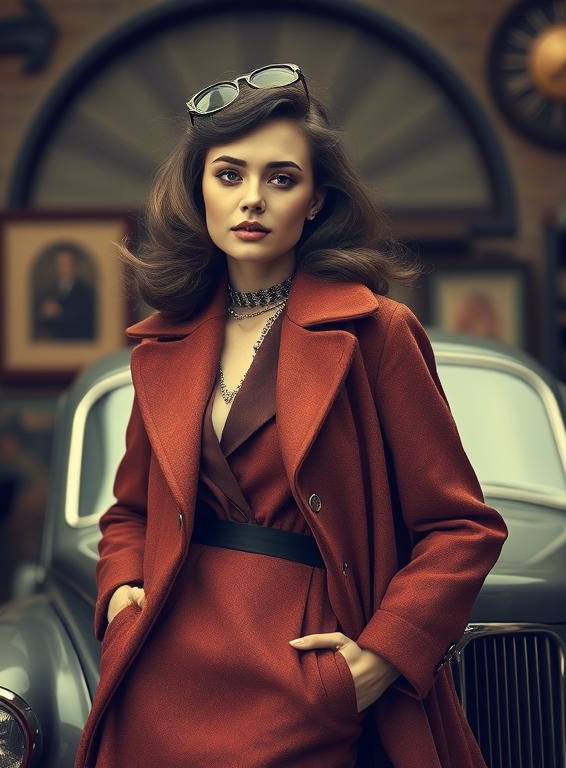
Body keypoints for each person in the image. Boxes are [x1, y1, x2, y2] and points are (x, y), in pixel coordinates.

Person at [74, 64, 507, 768]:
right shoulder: (163, 343)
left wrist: (383, 657)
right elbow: (129, 513)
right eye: (229, 175)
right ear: (198, 192)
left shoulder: (377, 333)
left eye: (280, 178)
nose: (252, 199)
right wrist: (122, 599)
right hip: (162, 677)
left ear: (313, 201)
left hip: (306, 680)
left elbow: (462, 528)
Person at [35, 244, 97, 339]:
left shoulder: (85, 291)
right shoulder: (51, 291)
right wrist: (46, 315)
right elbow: (44, 323)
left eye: (67, 264)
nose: (63, 268)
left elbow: (86, 320)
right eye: (60, 264)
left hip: (77, 342)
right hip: (56, 343)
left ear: (75, 265)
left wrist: (60, 313)